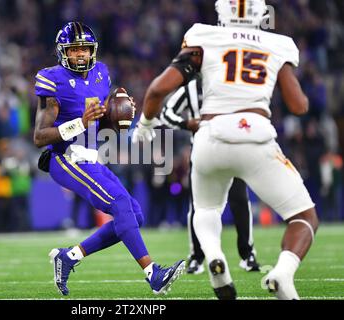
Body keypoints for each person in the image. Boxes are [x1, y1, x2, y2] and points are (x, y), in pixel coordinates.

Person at [133, 0, 319, 300]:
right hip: (256, 137)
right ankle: (283, 273)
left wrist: (144, 125)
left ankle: (215, 256)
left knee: (205, 209)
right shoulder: (277, 43)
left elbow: (156, 89)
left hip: (210, 137)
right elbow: (299, 106)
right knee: (304, 217)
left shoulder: (204, 37)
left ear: (223, 12)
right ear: (262, 13)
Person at [33, 22, 185, 296]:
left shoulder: (101, 74)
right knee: (120, 204)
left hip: (91, 156)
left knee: (134, 214)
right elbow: (40, 137)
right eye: (75, 49)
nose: (80, 55)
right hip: (65, 158)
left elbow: (101, 124)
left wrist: (119, 117)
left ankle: (69, 257)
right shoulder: (52, 79)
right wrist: (79, 123)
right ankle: (153, 274)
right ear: (62, 52)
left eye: (85, 49)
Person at [160, 79, 260, 274]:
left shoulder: (230, 81)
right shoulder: (191, 89)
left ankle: (247, 254)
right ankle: (197, 256)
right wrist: (186, 123)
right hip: (202, 153)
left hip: (232, 150)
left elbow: (249, 110)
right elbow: (167, 112)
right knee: (197, 205)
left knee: (239, 200)